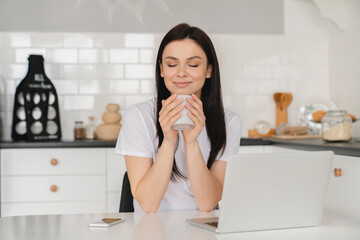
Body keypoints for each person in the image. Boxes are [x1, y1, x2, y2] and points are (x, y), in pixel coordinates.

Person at [115, 23, 241, 213]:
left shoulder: (229, 122)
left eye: (193, 64)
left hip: (201, 228)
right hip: (152, 228)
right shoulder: (139, 116)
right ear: (162, 70)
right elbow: (148, 205)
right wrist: (169, 141)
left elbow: (208, 203)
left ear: (209, 70)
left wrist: (192, 142)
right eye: (172, 64)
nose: (181, 72)